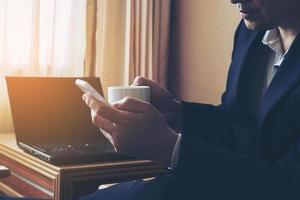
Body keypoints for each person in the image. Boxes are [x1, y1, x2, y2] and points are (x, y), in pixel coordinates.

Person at [2, 0, 300, 199]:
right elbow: (239, 124)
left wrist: (169, 147)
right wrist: (177, 113)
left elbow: (287, 184)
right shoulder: (252, 32)